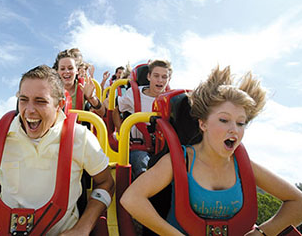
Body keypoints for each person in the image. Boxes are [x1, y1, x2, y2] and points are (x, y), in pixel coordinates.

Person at [120, 66, 302, 235]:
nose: (234, 130)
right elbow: (131, 198)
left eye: (241, 123)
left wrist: (261, 233)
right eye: (224, 120)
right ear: (203, 124)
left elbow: (298, 202)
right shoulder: (180, 160)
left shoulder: (244, 165)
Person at [0, 65, 114, 236]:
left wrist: (82, 228)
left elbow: (106, 183)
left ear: (59, 105)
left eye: (41, 101)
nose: (30, 110)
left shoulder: (81, 137)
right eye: (24, 100)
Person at [113, 59, 172, 179]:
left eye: (164, 77)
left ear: (169, 79)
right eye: (156, 76)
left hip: (162, 149)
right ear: (149, 76)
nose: (160, 80)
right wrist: (121, 132)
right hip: (138, 147)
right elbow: (116, 111)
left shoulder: (170, 99)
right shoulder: (134, 94)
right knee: (142, 165)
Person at [53, 49, 105, 117]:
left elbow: (102, 112)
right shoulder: (51, 89)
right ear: (57, 71)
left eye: (70, 68)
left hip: (78, 126)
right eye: (62, 69)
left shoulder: (83, 87)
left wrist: (91, 97)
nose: (67, 71)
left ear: (77, 71)